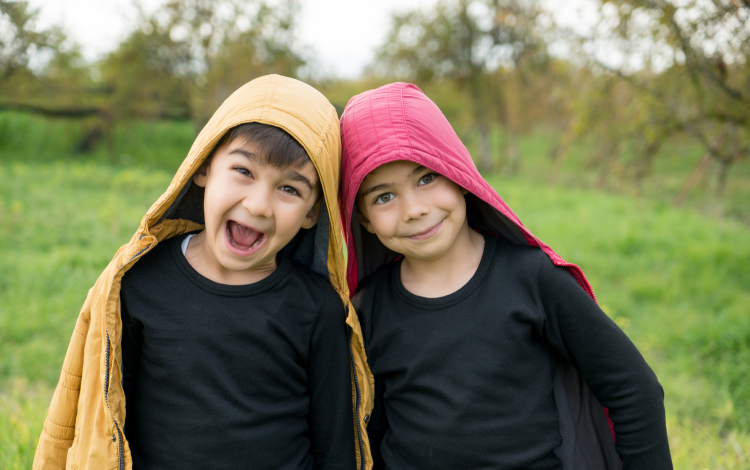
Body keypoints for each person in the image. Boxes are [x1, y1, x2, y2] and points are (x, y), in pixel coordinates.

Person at [33, 74, 370, 470]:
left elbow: (335, 449)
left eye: (290, 189)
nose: (259, 205)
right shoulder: (139, 284)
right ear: (204, 167)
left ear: (315, 212)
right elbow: (108, 425)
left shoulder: (319, 310)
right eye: (243, 170)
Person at [339, 82, 673, 470]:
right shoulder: (367, 310)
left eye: (426, 178)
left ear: (457, 172)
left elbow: (634, 389)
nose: (413, 209)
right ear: (362, 217)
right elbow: (369, 436)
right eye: (384, 196)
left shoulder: (532, 278)